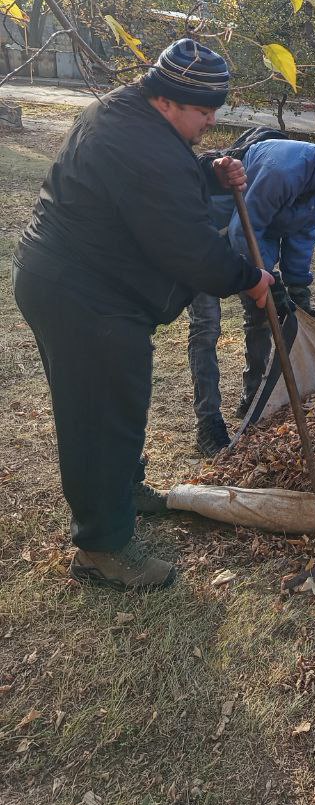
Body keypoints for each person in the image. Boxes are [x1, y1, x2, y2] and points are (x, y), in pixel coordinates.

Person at [13, 39, 274, 592]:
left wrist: (206, 170)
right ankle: (101, 550)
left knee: (119, 401)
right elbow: (189, 248)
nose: (209, 122)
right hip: (83, 296)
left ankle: (123, 492)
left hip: (86, 287)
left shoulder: (130, 115)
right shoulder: (137, 140)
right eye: (204, 113)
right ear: (169, 100)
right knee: (99, 416)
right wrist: (249, 279)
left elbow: (154, 186)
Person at [187, 122, 315, 455]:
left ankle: (253, 404)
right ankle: (208, 424)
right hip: (207, 237)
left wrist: (298, 287)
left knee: (263, 318)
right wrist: (263, 276)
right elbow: (243, 230)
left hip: (245, 243)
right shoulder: (285, 169)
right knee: (207, 327)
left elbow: (301, 236)